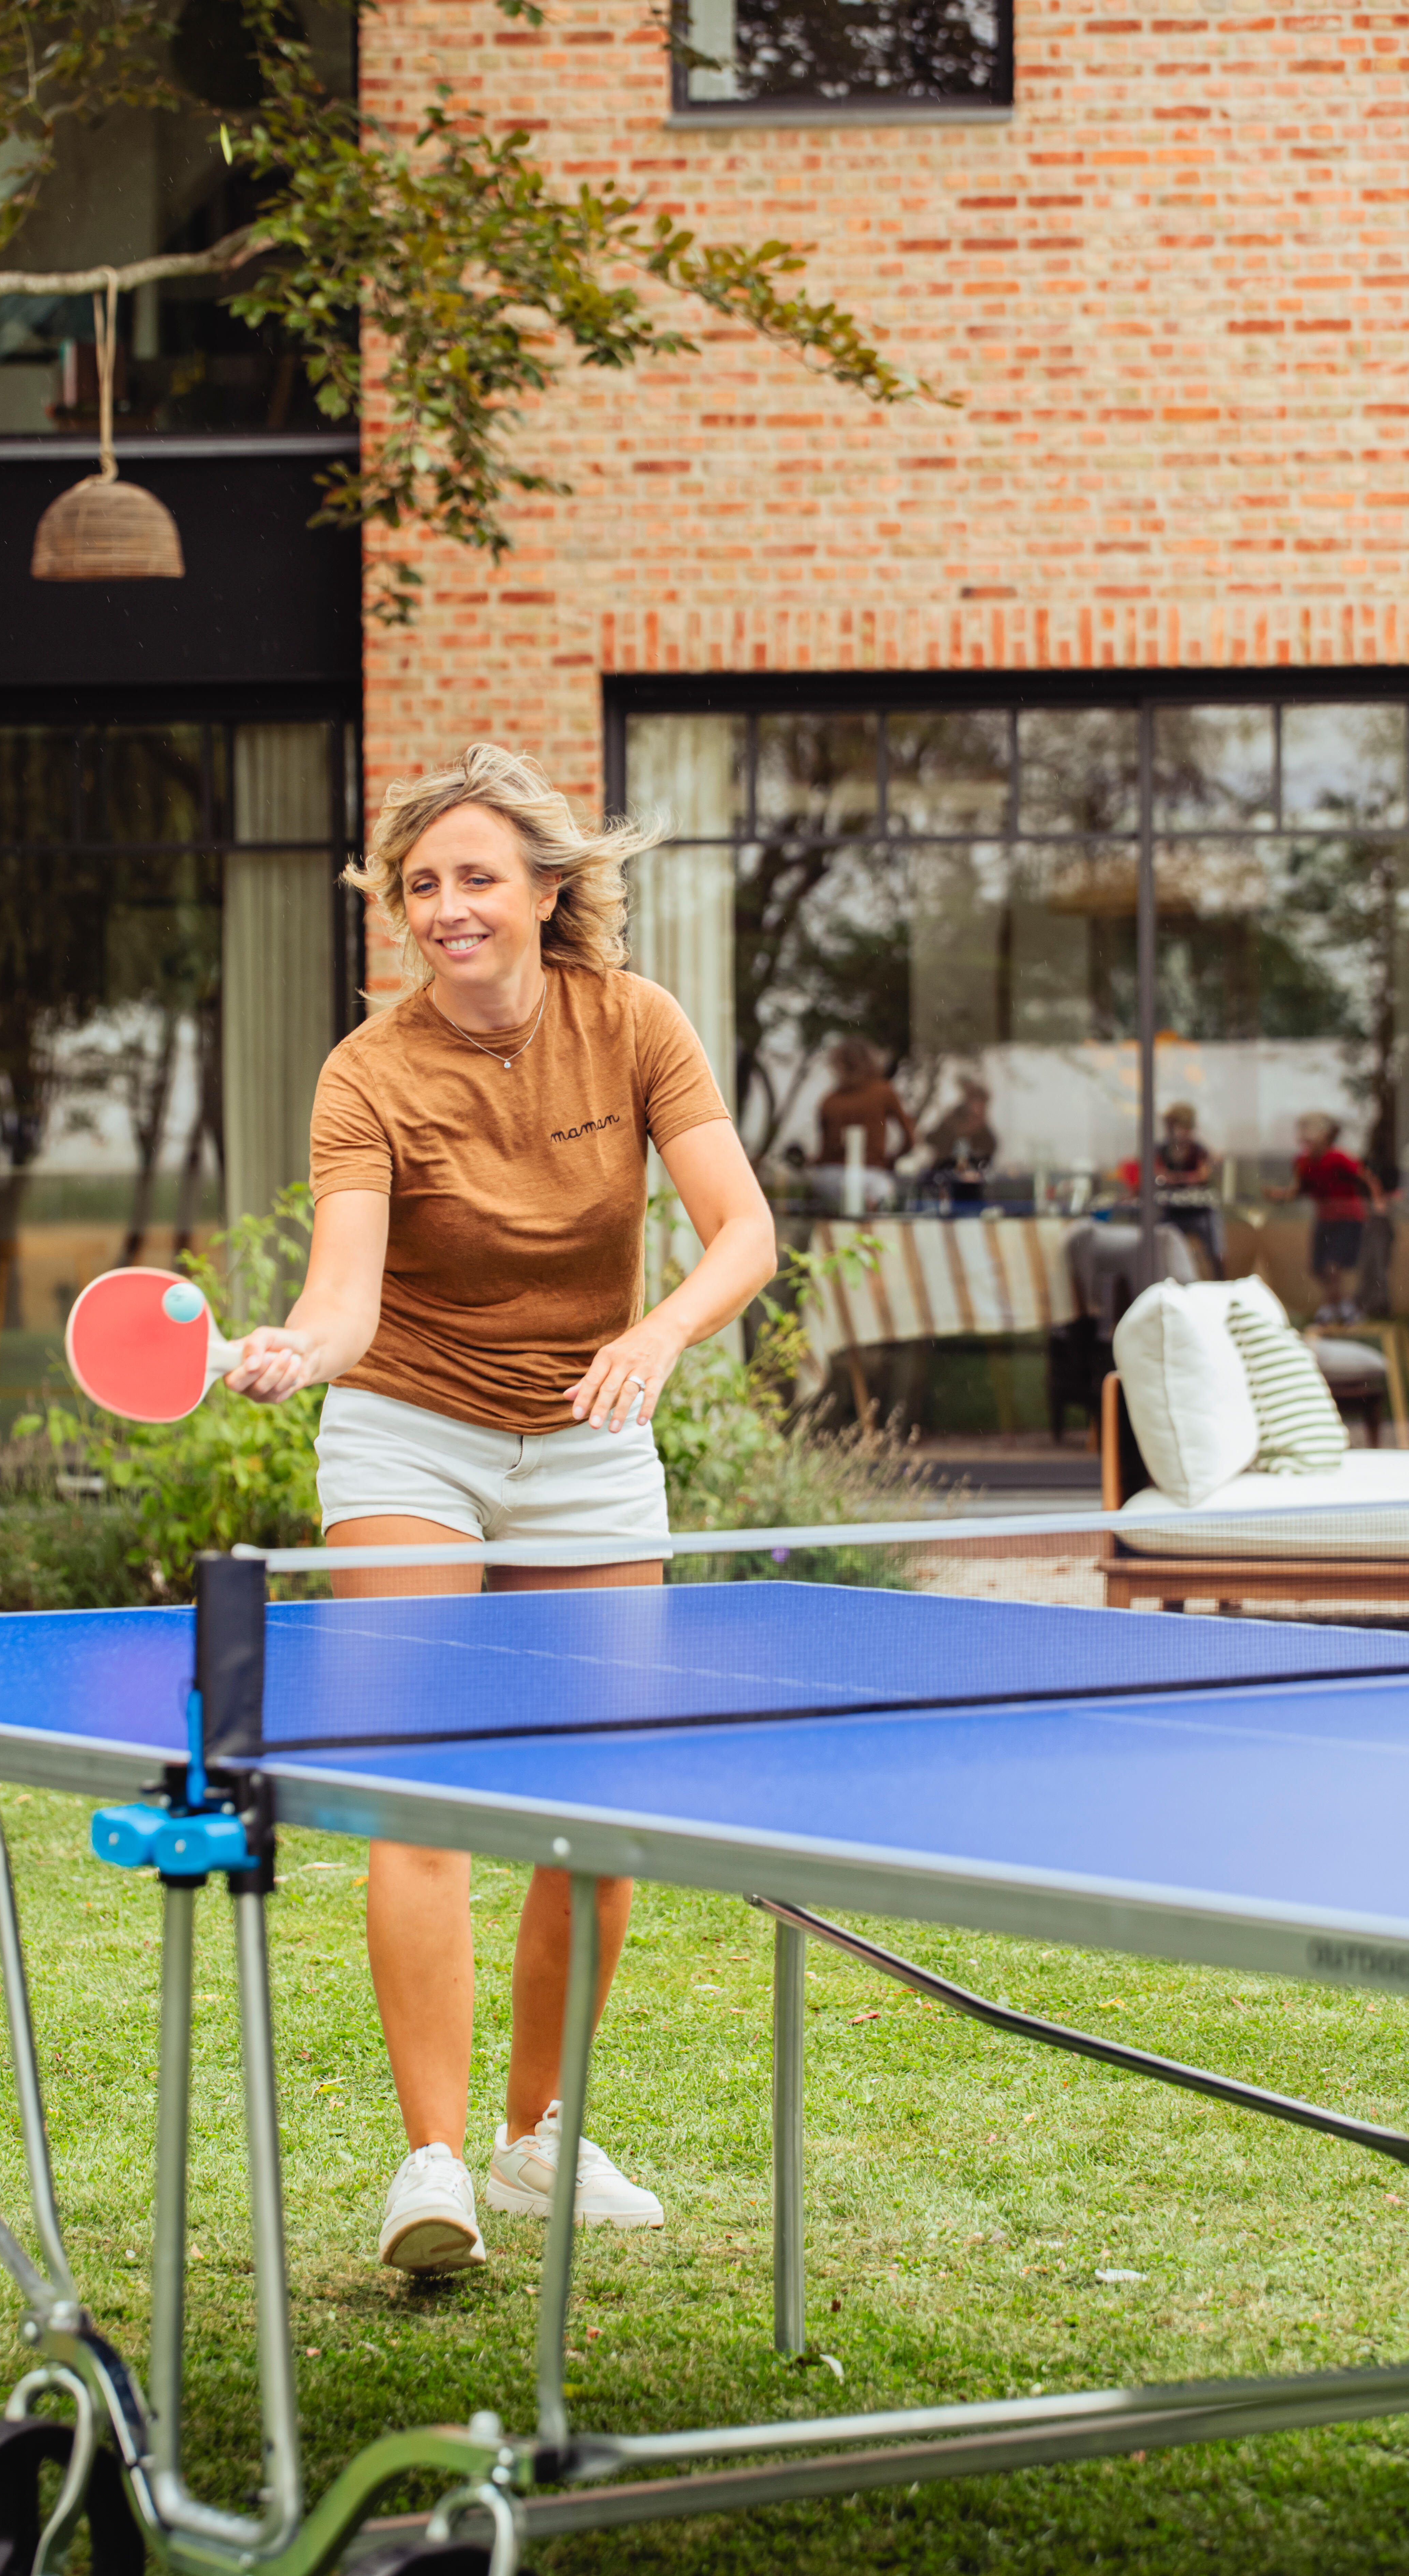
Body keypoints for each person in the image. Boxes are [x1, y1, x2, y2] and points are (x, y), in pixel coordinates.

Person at [223, 744, 778, 2273]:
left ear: (546, 887)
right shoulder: (371, 1073)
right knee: (417, 1787)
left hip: (594, 1440)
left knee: (592, 1814)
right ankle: (433, 2164)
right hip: (411, 1434)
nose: (448, 908)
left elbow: (743, 1233)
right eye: (420, 886)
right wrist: (295, 1350)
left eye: (476, 876)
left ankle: (541, 2135)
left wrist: (657, 1334)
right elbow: (343, 1300)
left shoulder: (637, 1021)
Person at [1263, 1112, 1381, 1324]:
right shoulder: (1302, 1162)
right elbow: (1298, 1191)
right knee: (1318, 1268)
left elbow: (1366, 1179)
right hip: (1324, 1220)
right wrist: (1279, 1195)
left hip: (1348, 1218)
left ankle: (1334, 1308)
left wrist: (1378, 1202)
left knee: (1333, 1266)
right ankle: (1342, 1307)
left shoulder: (1340, 1158)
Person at [812, 1037, 912, 1211]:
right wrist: (890, 1161)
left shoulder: (830, 1101)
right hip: (873, 1177)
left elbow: (825, 1152)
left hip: (833, 1179)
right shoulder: (883, 1092)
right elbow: (910, 1137)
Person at [1154, 1099, 1223, 1274]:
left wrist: (1176, 1179)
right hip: (1171, 1212)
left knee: (1214, 1237)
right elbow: (1158, 1175)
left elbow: (1202, 1175)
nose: (1186, 1133)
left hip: (1198, 1211)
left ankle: (1220, 1276)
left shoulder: (1198, 1150)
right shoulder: (1161, 1150)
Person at [920, 1078, 998, 1209]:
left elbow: (988, 1156)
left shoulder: (985, 1134)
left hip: (971, 1191)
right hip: (943, 1181)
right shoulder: (952, 1121)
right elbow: (932, 1139)